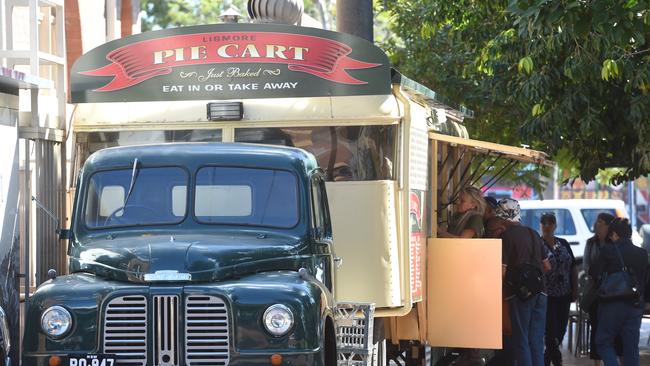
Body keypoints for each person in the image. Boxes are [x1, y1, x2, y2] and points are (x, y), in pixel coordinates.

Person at [498, 198, 551, 366]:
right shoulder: (533, 233)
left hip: (520, 294)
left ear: (502, 217)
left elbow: (502, 270)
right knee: (536, 341)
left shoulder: (506, 235)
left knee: (521, 340)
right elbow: (547, 266)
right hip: (540, 291)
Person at [591, 218, 648, 366]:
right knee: (631, 347)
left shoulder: (607, 250)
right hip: (635, 304)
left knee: (603, 341)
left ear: (614, 234)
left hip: (612, 303)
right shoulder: (642, 253)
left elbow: (594, 273)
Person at [583, 212, 623, 365]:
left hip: (612, 293)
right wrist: (595, 277)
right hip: (595, 292)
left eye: (600, 222)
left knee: (614, 330)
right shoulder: (591, 243)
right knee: (596, 328)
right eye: (596, 222)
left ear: (608, 226)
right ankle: (597, 362)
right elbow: (587, 266)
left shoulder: (614, 243)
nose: (596, 225)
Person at [539, 213, 578, 366]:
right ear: (540, 225)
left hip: (565, 293)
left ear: (555, 225)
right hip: (546, 294)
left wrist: (575, 288)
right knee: (550, 331)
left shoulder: (563, 243)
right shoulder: (538, 244)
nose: (547, 226)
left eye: (550, 223)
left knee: (561, 330)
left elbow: (573, 266)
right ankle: (557, 360)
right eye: (544, 223)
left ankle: (546, 358)